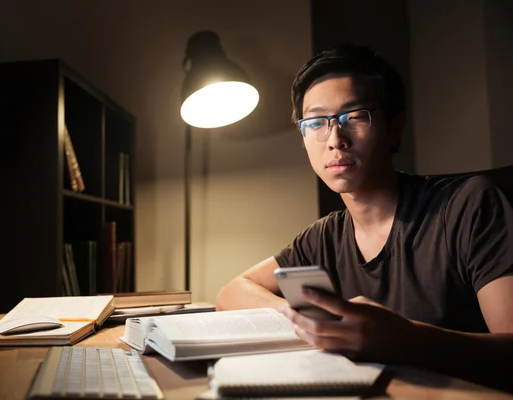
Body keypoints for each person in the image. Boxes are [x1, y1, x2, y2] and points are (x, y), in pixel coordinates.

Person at [216, 44, 513, 392]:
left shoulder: (468, 205)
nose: (334, 140)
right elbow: (231, 292)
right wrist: (306, 320)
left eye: (354, 117)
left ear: (394, 127)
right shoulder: (323, 237)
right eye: (315, 123)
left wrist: (407, 339)